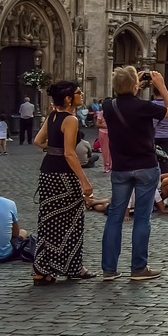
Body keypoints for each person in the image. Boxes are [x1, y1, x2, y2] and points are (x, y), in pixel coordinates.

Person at [101, 66, 168, 281]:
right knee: (142, 219)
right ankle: (138, 268)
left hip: (120, 168)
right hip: (145, 165)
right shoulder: (145, 106)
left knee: (115, 217)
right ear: (135, 86)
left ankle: (109, 269)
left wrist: (135, 82)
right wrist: (161, 86)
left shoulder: (109, 106)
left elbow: (124, 94)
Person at [32, 80, 98, 283]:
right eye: (78, 92)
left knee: (48, 221)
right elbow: (70, 154)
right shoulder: (71, 120)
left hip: (47, 173)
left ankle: (41, 269)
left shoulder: (52, 115)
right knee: (73, 222)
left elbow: (38, 141)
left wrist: (52, 150)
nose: (82, 94)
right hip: (63, 176)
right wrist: (85, 181)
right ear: (69, 98)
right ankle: (73, 267)